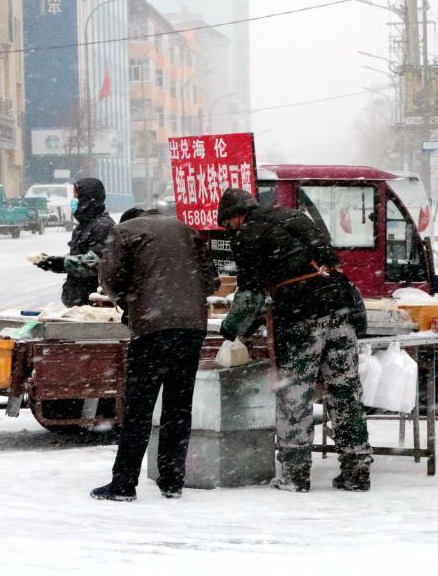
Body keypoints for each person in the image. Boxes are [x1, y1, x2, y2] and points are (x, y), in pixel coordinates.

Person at [216, 188, 373, 493]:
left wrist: (231, 329)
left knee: (294, 393)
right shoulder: (294, 216)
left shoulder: (247, 234)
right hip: (340, 308)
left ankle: (294, 473)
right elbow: (327, 258)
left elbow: (250, 295)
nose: (229, 230)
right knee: (344, 390)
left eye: (227, 224)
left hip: (301, 313)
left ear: (235, 215)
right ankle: (357, 469)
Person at [90, 209, 219, 501]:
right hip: (191, 327)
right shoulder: (186, 229)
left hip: (152, 327)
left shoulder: (123, 231)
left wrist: (129, 301)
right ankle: (173, 480)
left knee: (139, 408)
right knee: (178, 406)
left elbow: (110, 278)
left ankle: (123, 484)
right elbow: (211, 281)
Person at [35, 178, 115, 307]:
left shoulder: (103, 226)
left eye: (76, 196)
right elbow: (79, 257)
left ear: (88, 199)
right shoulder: (85, 225)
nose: (73, 201)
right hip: (80, 302)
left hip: (94, 303)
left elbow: (95, 263)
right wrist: (52, 262)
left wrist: (62, 264)